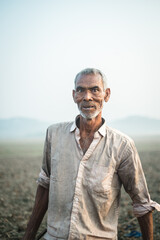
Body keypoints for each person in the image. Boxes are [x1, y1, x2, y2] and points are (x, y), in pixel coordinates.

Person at [23, 68, 160, 240]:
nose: (87, 97)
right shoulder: (54, 134)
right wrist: (28, 236)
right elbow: (45, 186)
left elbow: (142, 204)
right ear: (74, 95)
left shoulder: (122, 145)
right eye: (81, 90)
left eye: (95, 89)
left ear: (106, 94)